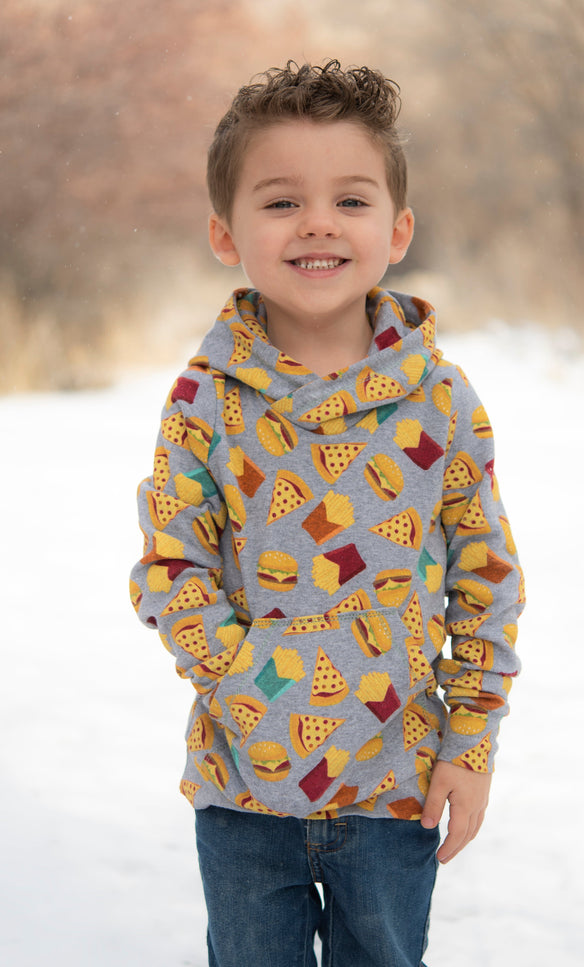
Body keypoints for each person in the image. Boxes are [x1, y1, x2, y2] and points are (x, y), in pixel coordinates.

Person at [129, 60, 525, 967]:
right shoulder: (204, 399)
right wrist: (238, 672)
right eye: (280, 202)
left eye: (350, 200)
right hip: (242, 787)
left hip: (396, 781)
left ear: (398, 228)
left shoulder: (441, 401)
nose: (316, 222)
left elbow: (487, 581)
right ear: (226, 234)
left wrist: (470, 741)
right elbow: (170, 564)